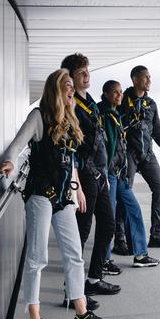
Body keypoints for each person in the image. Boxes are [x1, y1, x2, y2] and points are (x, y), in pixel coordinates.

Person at [0, 69, 111, 319]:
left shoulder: (70, 121)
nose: (72, 90)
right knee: (37, 259)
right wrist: (11, 162)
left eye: (73, 86)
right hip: (39, 195)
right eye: (67, 85)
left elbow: (69, 162)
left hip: (64, 198)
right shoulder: (39, 117)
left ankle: (81, 312)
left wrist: (78, 189)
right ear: (55, 89)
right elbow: (16, 145)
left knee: (74, 255)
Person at [60, 53, 121, 294]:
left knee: (108, 225)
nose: (87, 76)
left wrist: (104, 171)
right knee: (81, 233)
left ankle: (94, 279)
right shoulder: (71, 104)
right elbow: (72, 146)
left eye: (88, 71)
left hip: (99, 175)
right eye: (82, 72)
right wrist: (77, 185)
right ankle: (72, 288)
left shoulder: (91, 102)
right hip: (85, 176)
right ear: (71, 77)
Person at [98, 80, 160, 267]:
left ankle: (140, 255)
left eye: (120, 92)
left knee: (133, 210)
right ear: (106, 94)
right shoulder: (102, 114)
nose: (119, 95)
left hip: (119, 173)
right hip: (108, 174)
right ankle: (104, 259)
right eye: (115, 93)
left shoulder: (117, 113)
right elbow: (102, 148)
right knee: (107, 218)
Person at [120, 65, 160, 248]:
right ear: (134, 79)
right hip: (128, 154)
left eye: (149, 77)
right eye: (145, 77)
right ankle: (120, 238)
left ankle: (156, 235)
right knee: (124, 194)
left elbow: (157, 131)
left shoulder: (151, 104)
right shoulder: (122, 100)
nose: (149, 80)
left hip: (147, 155)